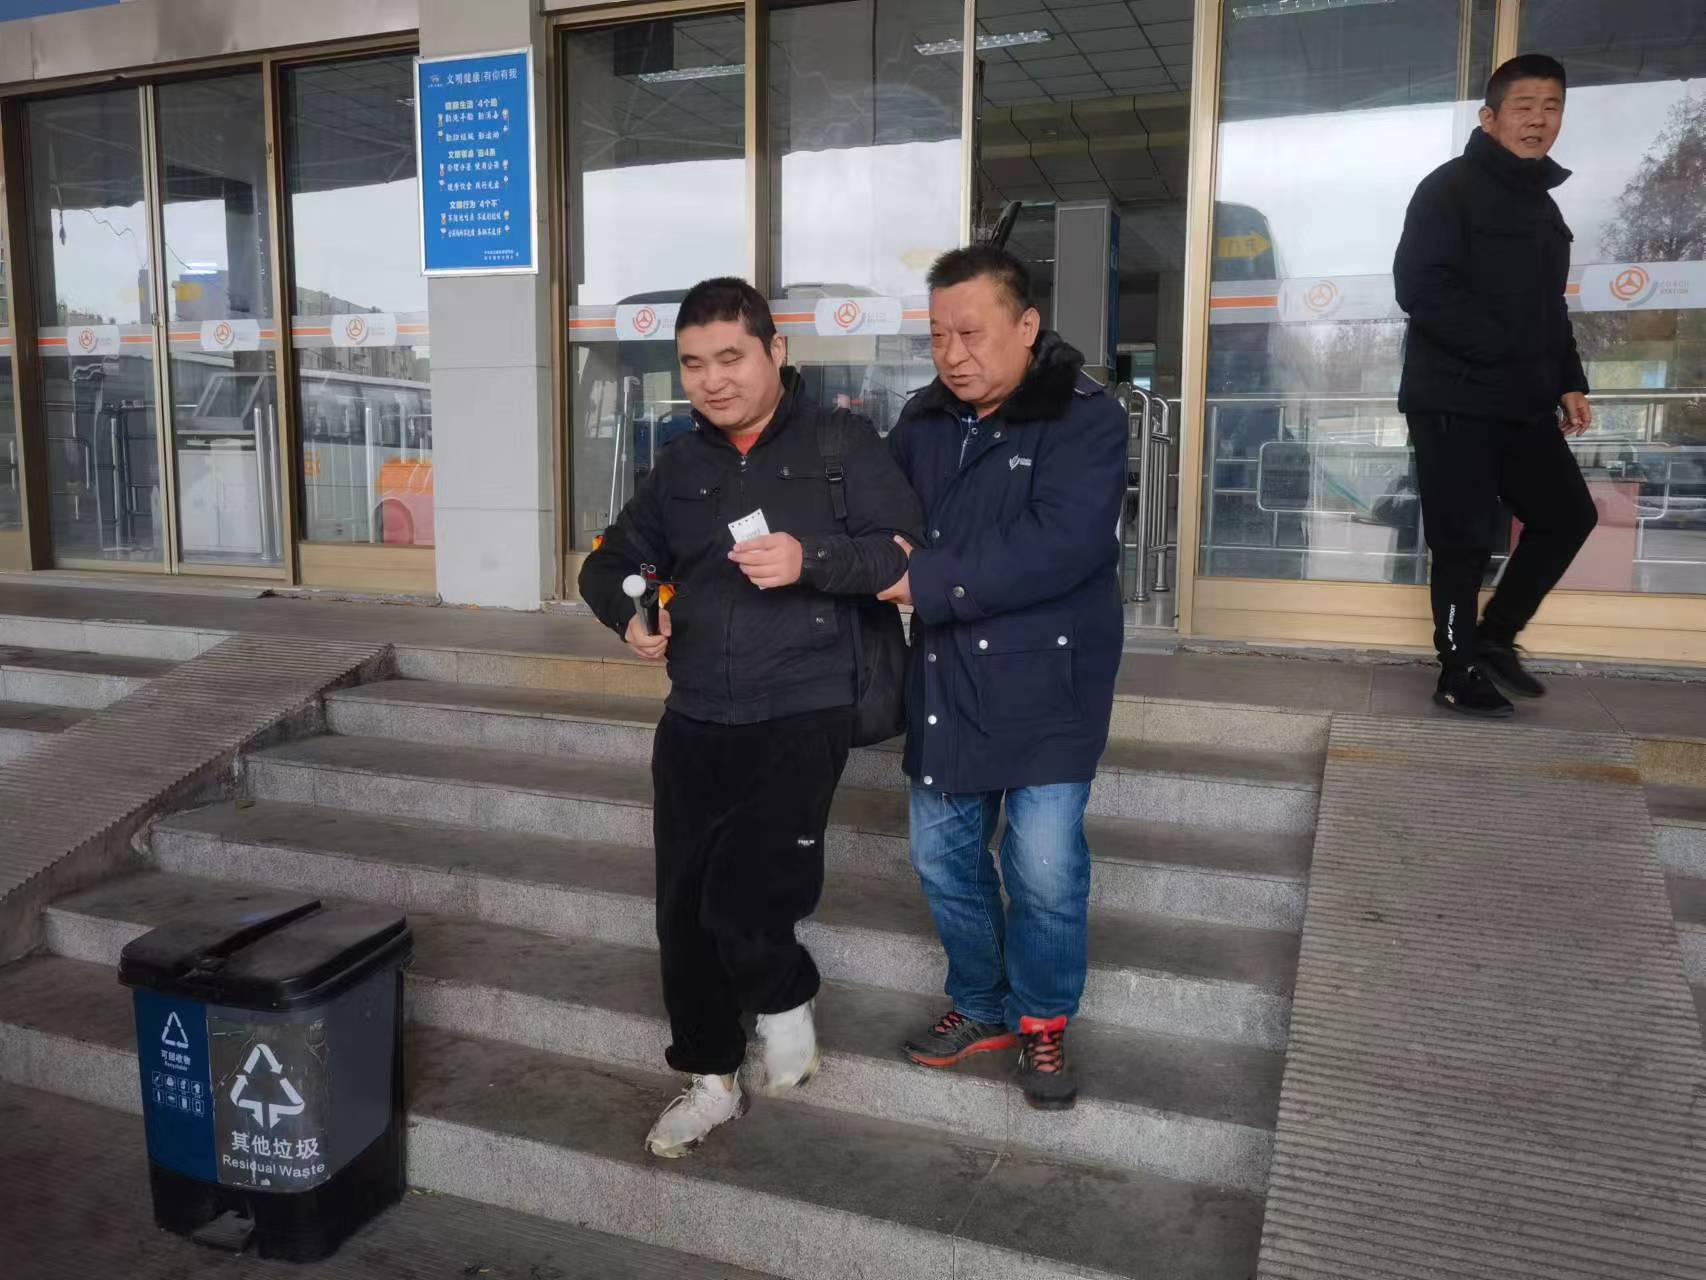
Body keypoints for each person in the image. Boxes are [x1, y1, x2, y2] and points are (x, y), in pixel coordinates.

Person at [579, 278, 924, 1156]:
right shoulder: (679, 466)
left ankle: (782, 991)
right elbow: (610, 561)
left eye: (731, 357)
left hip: (803, 705)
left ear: (776, 351)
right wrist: (629, 614)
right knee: (681, 913)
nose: (712, 379)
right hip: (696, 713)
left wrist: (811, 559)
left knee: (742, 893)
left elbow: (902, 556)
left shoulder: (841, 443)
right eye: (694, 363)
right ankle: (710, 1079)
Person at [880, 245, 1127, 1110]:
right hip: (949, 678)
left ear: (1026, 327)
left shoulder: (1085, 418)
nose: (952, 355)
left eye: (972, 334)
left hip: (1050, 684)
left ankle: (1044, 1020)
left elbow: (1061, 545)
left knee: (1045, 867)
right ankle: (982, 1003)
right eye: (937, 336)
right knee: (941, 858)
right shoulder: (922, 423)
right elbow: (875, 515)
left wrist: (928, 578)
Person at [1394, 53, 1599, 718]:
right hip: (1453, 397)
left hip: (1520, 400)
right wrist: (1509, 353)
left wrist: (1567, 380)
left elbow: (1549, 308)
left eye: (1551, 107)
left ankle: (1494, 637)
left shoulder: (1542, 206)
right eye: (1524, 106)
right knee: (1463, 539)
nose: (1539, 119)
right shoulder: (1448, 188)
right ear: (1490, 118)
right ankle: (1457, 669)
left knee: (1568, 515)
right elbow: (1421, 287)